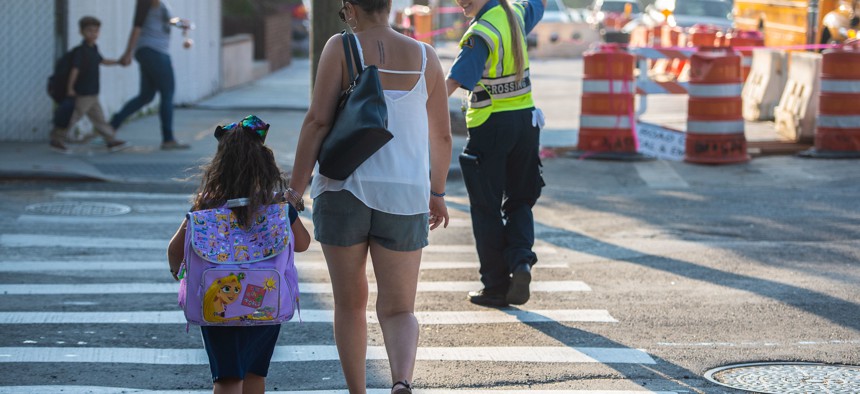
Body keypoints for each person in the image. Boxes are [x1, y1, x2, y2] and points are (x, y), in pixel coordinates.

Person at [285, 0, 453, 391]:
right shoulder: (427, 57)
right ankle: (401, 381)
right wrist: (438, 191)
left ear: (350, 8)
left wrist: (296, 190)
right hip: (407, 196)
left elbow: (318, 121)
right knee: (399, 309)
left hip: (345, 189)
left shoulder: (340, 47)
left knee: (349, 304)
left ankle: (358, 391)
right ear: (390, 5)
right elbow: (442, 135)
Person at [167, 115, 310, 394]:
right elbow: (302, 243)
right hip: (265, 303)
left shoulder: (206, 206)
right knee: (255, 374)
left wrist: (179, 273)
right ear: (266, 166)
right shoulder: (277, 208)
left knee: (228, 378)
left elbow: (175, 249)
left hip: (218, 303)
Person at [446, 0, 546, 307]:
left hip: (490, 129)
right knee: (519, 201)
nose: (460, 1)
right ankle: (520, 262)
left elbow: (452, 83)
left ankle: (496, 287)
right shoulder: (514, 14)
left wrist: (411, 106)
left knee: (486, 208)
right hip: (526, 124)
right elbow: (538, 4)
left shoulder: (481, 33)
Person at [110, 0, 191, 150]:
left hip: (151, 51)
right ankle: (168, 139)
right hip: (154, 51)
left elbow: (166, 20)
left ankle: (111, 126)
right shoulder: (148, 1)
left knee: (146, 95)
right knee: (167, 93)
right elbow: (137, 26)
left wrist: (181, 23)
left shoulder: (162, 4)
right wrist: (128, 52)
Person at [49, 16, 127, 153]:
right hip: (83, 92)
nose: (93, 34)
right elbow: (75, 70)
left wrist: (118, 62)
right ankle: (57, 138)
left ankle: (111, 140)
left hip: (93, 92)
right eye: (90, 31)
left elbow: (101, 61)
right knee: (74, 116)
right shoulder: (81, 51)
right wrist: (70, 88)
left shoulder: (94, 49)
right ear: (81, 32)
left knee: (99, 118)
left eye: (96, 31)